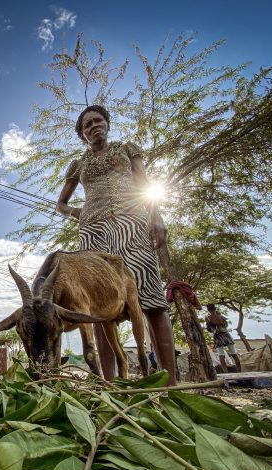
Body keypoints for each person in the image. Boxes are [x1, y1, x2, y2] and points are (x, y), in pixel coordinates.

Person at [56, 105, 178, 385]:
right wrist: (78, 213)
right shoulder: (78, 165)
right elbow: (60, 204)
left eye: (98, 121)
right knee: (98, 306)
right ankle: (109, 384)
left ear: (107, 124)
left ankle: (170, 385)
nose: (93, 126)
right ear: (82, 135)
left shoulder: (126, 149)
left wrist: (155, 217)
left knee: (151, 299)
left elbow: (145, 183)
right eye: (87, 125)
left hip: (132, 222)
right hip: (93, 233)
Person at [205, 304, 242, 372]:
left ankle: (225, 372)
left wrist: (212, 327)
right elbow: (226, 325)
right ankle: (240, 371)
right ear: (215, 308)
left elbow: (209, 329)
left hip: (217, 336)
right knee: (233, 353)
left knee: (221, 354)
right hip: (226, 335)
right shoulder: (221, 316)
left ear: (208, 310)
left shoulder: (208, 318)